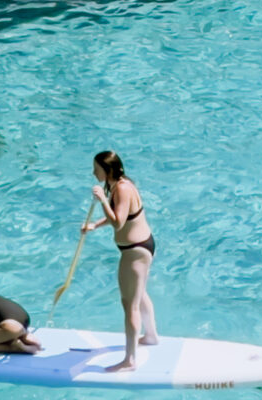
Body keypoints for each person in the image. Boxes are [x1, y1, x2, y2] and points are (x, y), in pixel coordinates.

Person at [82, 150, 158, 369]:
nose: (93, 173)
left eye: (96, 169)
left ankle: (129, 360)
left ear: (107, 170)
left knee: (129, 305)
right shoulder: (121, 184)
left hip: (135, 251)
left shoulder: (122, 189)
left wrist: (102, 200)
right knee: (139, 293)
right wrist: (95, 225)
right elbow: (120, 215)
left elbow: (119, 223)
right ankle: (151, 336)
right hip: (141, 246)